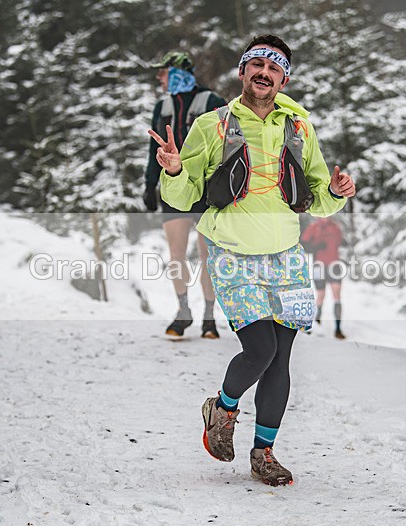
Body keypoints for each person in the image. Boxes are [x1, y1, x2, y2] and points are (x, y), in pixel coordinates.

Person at [149, 35, 356, 486]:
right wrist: (174, 170)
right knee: (260, 350)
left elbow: (317, 198)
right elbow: (185, 196)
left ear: (284, 80)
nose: (264, 73)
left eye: (274, 67)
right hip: (232, 254)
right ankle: (223, 408)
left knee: (281, 359)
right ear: (242, 72)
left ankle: (264, 453)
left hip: (287, 257)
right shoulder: (213, 125)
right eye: (257, 64)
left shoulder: (300, 128)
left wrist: (336, 192)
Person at [144, 51, 227, 338]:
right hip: (173, 187)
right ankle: (183, 312)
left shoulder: (211, 102)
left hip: (207, 191)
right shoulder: (162, 106)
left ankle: (209, 317)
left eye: (163, 72)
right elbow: (153, 149)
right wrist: (149, 184)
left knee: (207, 256)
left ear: (178, 72)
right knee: (176, 255)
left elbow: (229, 144)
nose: (159, 77)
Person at [302, 216, 346, 339]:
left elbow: (340, 241)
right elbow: (303, 245)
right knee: (320, 295)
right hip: (319, 265)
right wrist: (316, 247)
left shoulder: (335, 226)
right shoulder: (313, 227)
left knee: (337, 295)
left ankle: (338, 329)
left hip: (334, 264)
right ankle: (316, 324)